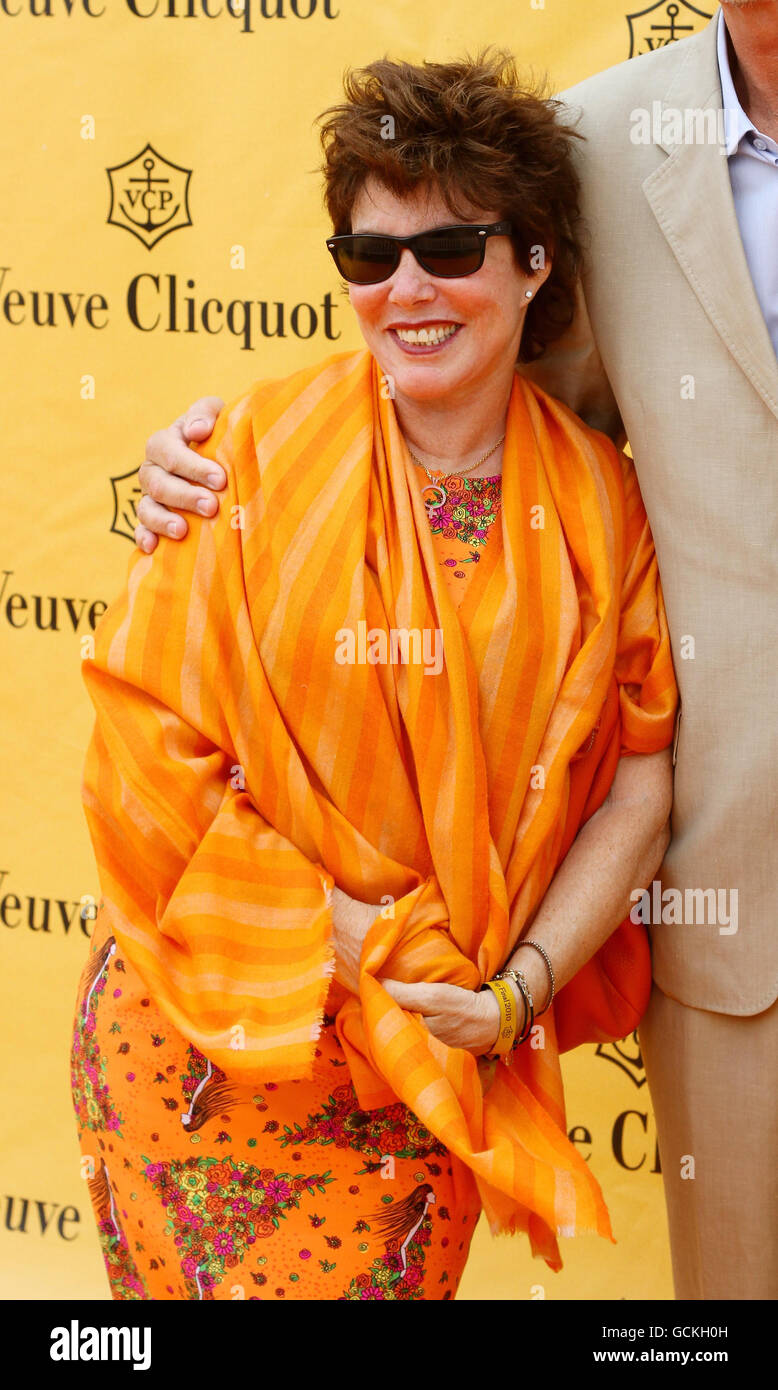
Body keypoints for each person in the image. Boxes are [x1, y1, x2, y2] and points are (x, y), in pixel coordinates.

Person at [136, 6, 777, 1302]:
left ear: (534, 262)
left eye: (445, 246)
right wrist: (189, 473)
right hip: (226, 1027)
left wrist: (508, 986)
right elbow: (151, 753)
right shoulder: (259, 465)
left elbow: (629, 743)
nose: (406, 284)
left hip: (426, 1024)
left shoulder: (590, 508)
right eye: (370, 253)